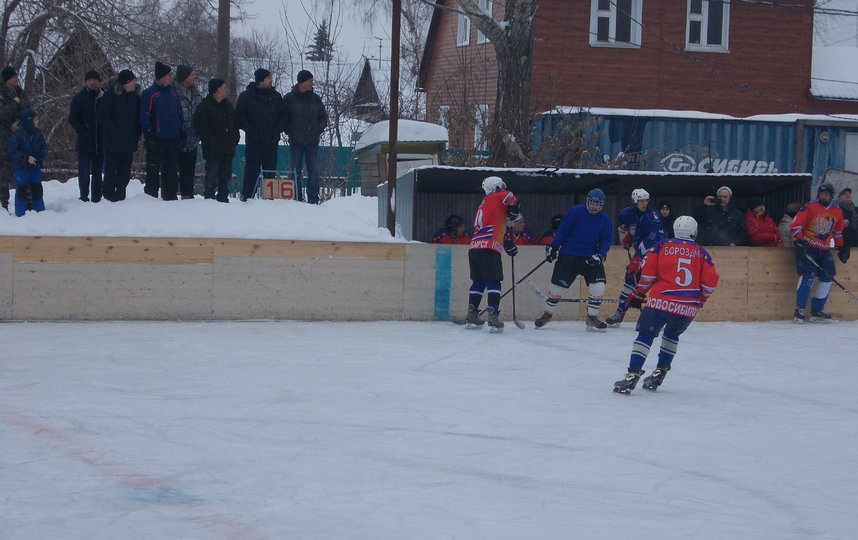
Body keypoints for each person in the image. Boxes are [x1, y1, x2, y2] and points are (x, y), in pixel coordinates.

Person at [612, 216, 719, 395]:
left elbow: (647, 275)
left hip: (661, 302)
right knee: (671, 335)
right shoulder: (701, 253)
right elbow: (709, 283)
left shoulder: (662, 246)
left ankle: (632, 375)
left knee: (645, 335)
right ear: (694, 232)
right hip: (687, 307)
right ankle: (660, 372)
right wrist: (700, 300)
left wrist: (638, 293)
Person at [535, 188, 613, 331]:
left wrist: (601, 255)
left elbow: (606, 240)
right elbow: (563, 230)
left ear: (601, 205)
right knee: (557, 287)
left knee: (598, 286)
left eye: (597, 204)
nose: (594, 206)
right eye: (592, 203)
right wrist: (553, 246)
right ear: (587, 201)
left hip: (591, 257)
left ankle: (592, 317)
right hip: (569, 254)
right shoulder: (576, 211)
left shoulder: (605, 219)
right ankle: (547, 313)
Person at [462, 176, 520, 332]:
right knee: (494, 281)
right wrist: (514, 208)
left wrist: (506, 242)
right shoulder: (497, 195)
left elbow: (496, 224)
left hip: (475, 247)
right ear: (497, 187)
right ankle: (493, 316)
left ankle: (472, 313)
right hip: (489, 247)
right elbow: (511, 197)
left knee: (478, 281)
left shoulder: (486, 202)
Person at [789, 182, 850, 323]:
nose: (824, 196)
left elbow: (837, 231)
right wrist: (799, 241)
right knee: (808, 277)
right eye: (822, 193)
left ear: (831, 195)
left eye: (827, 193)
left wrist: (841, 247)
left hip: (824, 249)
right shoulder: (809, 207)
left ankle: (817, 309)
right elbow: (796, 225)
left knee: (828, 278)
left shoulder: (837, 211)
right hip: (808, 247)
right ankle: (800, 309)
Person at [606, 188, 665, 327]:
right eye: (641, 201)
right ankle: (620, 312)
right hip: (640, 251)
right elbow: (624, 228)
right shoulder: (626, 213)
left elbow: (651, 240)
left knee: (656, 285)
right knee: (630, 279)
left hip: (657, 254)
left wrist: (637, 259)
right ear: (635, 201)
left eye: (646, 200)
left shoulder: (653, 216)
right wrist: (624, 237)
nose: (644, 203)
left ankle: (658, 318)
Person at [282, 70, 329, 204]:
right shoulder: (289, 99)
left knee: (313, 171)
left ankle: (313, 199)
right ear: (302, 82)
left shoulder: (315, 99)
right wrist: (289, 131)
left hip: (312, 141)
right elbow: (284, 118)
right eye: (309, 81)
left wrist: (317, 130)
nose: (312, 83)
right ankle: (295, 198)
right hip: (295, 141)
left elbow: (323, 117)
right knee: (295, 171)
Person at [235, 68, 282, 201]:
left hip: (271, 140)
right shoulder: (246, 96)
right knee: (251, 169)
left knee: (270, 170)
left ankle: (270, 197)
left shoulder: (276, 96)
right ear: (260, 81)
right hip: (254, 140)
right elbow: (240, 116)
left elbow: (283, 116)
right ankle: (248, 196)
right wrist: (251, 130)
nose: (271, 80)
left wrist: (276, 130)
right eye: (268, 78)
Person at [140, 61, 182, 200]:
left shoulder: (173, 93)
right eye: (169, 74)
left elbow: (179, 113)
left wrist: (181, 131)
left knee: (171, 170)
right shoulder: (150, 94)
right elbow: (145, 116)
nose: (171, 77)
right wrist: (149, 136)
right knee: (153, 169)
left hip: (173, 137)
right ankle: (150, 197)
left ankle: (170, 196)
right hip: (157, 138)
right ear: (162, 76)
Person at [193, 78, 239, 203]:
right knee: (211, 175)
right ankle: (209, 199)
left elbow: (234, 124)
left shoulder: (227, 106)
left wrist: (235, 138)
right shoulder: (205, 106)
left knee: (225, 176)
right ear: (217, 90)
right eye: (224, 87)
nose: (226, 90)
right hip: (213, 149)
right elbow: (200, 125)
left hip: (227, 148)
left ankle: (223, 198)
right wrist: (211, 140)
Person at [99, 70, 141, 202]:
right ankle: (108, 197)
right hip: (113, 142)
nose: (135, 83)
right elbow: (104, 118)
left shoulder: (135, 98)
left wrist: (136, 135)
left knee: (125, 172)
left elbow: (137, 119)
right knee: (111, 171)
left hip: (129, 142)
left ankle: (120, 196)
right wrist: (114, 133)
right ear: (126, 83)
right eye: (132, 81)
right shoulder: (110, 96)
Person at [68, 70, 104, 202]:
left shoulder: (103, 96)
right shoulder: (79, 98)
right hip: (84, 141)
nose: (93, 82)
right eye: (90, 79)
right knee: (83, 173)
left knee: (97, 173)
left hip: (100, 141)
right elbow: (73, 118)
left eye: (95, 79)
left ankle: (97, 197)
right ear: (86, 81)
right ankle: (83, 197)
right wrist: (83, 130)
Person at [8, 109, 48, 217]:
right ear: (28, 120)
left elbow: (44, 148)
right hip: (21, 168)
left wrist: (39, 159)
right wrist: (26, 158)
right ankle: (21, 212)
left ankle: (39, 210)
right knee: (22, 190)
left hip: (35, 168)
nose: (37, 121)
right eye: (35, 119)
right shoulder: (18, 135)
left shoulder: (38, 133)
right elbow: (12, 151)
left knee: (37, 189)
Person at [0, 66, 29, 211]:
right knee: (4, 171)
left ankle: (24, 201)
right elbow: (2, 114)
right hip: (4, 138)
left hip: (21, 137)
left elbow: (28, 110)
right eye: (14, 76)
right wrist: (14, 103)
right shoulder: (2, 94)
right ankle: (3, 203)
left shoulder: (21, 92)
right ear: (7, 79)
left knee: (22, 169)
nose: (17, 78)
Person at [174, 65, 202, 199]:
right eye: (191, 75)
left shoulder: (196, 93)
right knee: (173, 170)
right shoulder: (173, 92)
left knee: (189, 171)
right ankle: (170, 196)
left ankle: (188, 195)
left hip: (193, 139)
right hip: (177, 138)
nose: (194, 77)